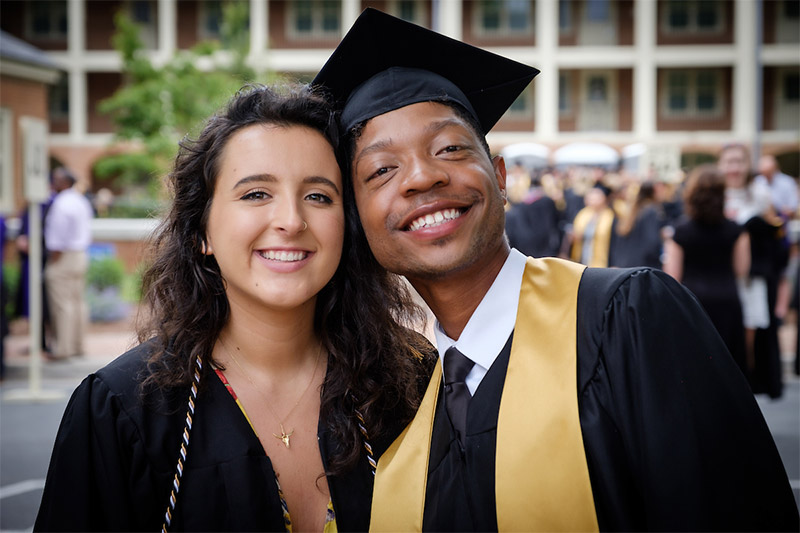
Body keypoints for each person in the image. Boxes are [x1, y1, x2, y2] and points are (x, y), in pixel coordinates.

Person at [313, 9, 799, 531]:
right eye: (381, 170)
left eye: (450, 148)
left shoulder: (627, 320)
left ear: (500, 178)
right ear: (358, 220)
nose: (423, 177)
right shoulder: (399, 405)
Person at [35, 85, 435, 532]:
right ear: (200, 232)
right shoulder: (123, 407)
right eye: (256, 194)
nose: (291, 220)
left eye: (319, 196)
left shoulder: (408, 382)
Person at [663, 165, 750, 375]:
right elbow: (741, 269)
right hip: (727, 299)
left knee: (696, 370)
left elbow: (672, 276)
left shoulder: (679, 231)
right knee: (728, 369)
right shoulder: (736, 230)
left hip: (693, 302)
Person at [721, 143, 788, 398]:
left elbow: (775, 238)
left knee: (750, 332)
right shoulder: (715, 192)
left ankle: (745, 389)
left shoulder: (759, 194)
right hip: (721, 276)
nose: (734, 167)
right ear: (721, 164)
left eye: (739, 161)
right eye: (729, 161)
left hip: (751, 279)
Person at [42, 167, 93, 359]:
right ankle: (77, 346)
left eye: (56, 179)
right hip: (80, 254)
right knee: (77, 302)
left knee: (62, 304)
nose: (53, 182)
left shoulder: (61, 203)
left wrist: (54, 259)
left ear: (64, 182)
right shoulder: (80, 200)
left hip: (63, 256)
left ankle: (63, 348)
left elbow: (57, 239)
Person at [611, 180, 666, 269]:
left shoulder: (633, 210)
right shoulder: (651, 211)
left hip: (627, 264)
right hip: (644, 266)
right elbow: (652, 241)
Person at [568, 182, 616, 267]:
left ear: (604, 198)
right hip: (582, 259)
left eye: (595, 197)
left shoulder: (611, 217)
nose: (591, 199)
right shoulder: (583, 214)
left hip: (603, 261)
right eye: (590, 197)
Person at [755, 154, 799, 220]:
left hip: (783, 221)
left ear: (775, 168)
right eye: (763, 173)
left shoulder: (787, 182)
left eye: (768, 172)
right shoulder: (758, 181)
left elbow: (793, 207)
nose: (765, 176)